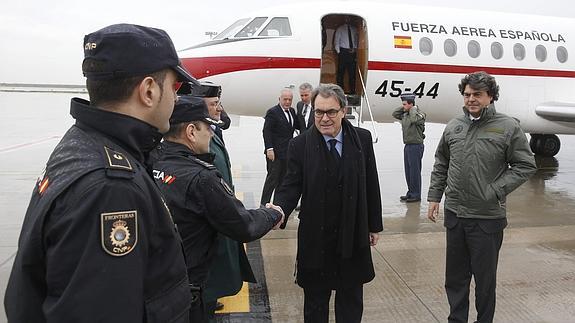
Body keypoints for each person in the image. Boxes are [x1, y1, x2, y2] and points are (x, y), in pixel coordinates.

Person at [4, 24, 198, 322]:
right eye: (174, 88)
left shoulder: (82, 143)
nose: (177, 99)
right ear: (148, 91)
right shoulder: (111, 188)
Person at [153, 96, 284, 323]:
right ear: (191, 131)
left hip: (160, 286)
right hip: (190, 292)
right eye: (208, 128)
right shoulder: (201, 177)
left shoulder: (152, 162)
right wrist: (273, 214)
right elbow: (243, 225)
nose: (212, 134)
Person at [427, 71, 537, 323]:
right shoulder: (454, 125)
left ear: (490, 96)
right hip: (455, 215)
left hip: (486, 219)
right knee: (455, 279)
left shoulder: (508, 127)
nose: (471, 99)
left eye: (477, 94)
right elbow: (441, 161)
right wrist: (435, 197)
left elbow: (525, 165)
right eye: (467, 94)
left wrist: (495, 191)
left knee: (485, 281)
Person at [274, 83, 383, 323]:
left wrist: (374, 225)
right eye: (318, 112)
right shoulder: (299, 145)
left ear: (343, 111)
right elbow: (290, 185)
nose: (324, 118)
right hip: (317, 237)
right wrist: (279, 209)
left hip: (352, 233)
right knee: (315, 303)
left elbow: (371, 184)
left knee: (351, 301)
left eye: (331, 112)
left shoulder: (362, 140)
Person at [191, 82, 257, 316]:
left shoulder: (209, 131)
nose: (220, 109)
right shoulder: (193, 137)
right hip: (208, 226)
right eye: (214, 104)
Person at [260, 88, 299, 206]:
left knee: (282, 181)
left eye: (290, 100)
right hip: (275, 153)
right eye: (285, 99)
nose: (287, 102)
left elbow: (296, 126)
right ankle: (264, 204)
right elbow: (266, 131)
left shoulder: (292, 111)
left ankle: (277, 204)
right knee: (272, 180)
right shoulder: (273, 112)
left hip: (287, 153)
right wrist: (269, 149)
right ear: (279, 99)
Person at [392, 93, 426, 202]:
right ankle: (410, 193)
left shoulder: (420, 115)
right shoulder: (405, 115)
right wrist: (405, 107)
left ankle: (416, 195)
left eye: (405, 104)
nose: (403, 106)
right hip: (408, 145)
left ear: (411, 104)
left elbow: (414, 120)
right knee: (408, 171)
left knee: (415, 171)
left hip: (416, 146)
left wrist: (413, 109)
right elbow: (395, 113)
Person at [334, 17, 359, 93]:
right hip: (343, 52)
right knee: (341, 73)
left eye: (349, 18)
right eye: (346, 18)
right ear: (344, 19)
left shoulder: (354, 29)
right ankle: (340, 91)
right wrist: (339, 52)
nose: (347, 20)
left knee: (352, 73)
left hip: (352, 53)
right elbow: (336, 41)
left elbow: (356, 40)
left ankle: (352, 91)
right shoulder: (340, 29)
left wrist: (355, 49)